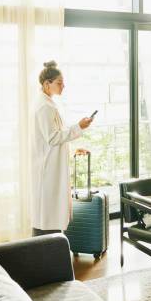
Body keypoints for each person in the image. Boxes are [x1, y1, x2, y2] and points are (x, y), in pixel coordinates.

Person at [31, 61, 93, 236]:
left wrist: (73, 147)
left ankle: (52, 248)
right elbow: (52, 138)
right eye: (59, 82)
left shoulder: (48, 103)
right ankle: (48, 251)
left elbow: (56, 135)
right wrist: (79, 127)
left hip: (51, 164)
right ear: (46, 84)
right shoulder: (44, 106)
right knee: (48, 213)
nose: (63, 85)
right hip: (48, 168)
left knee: (50, 212)